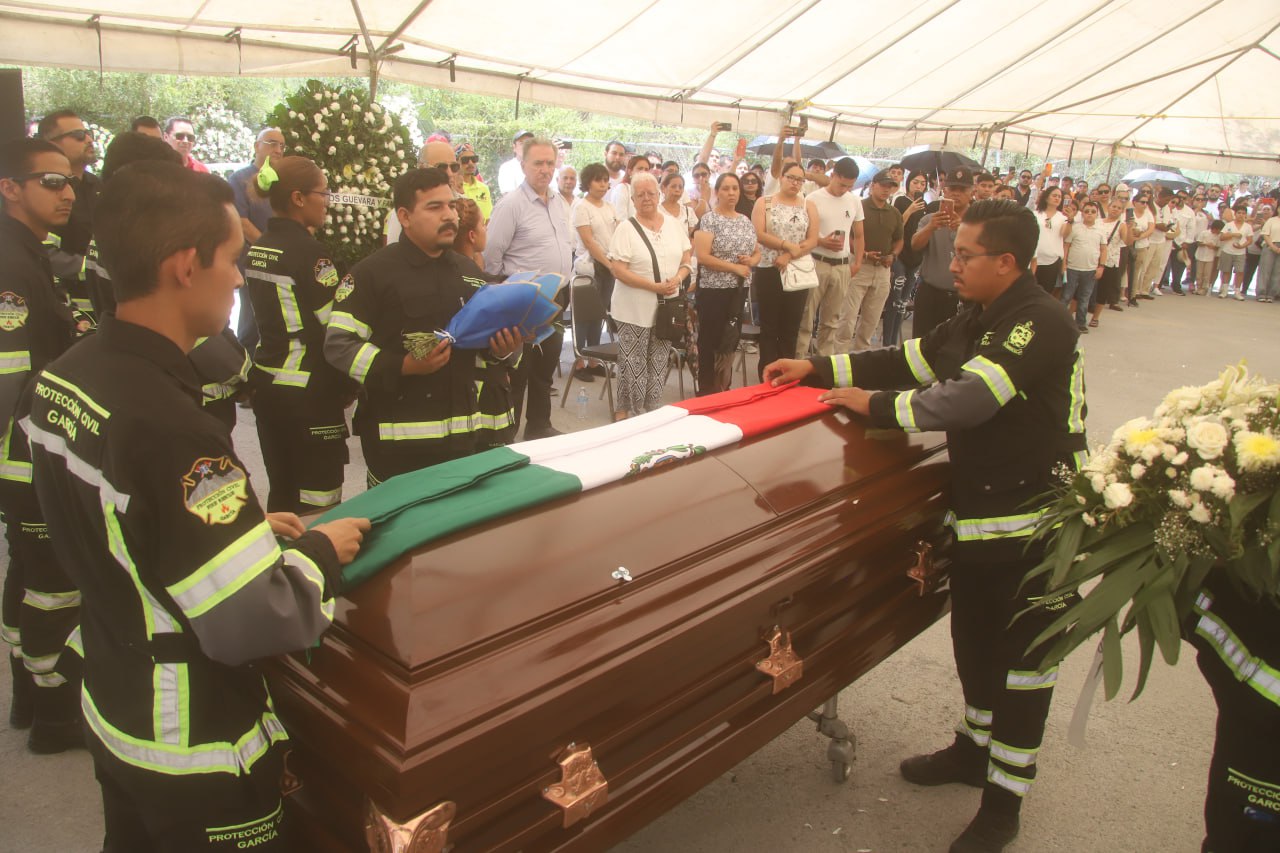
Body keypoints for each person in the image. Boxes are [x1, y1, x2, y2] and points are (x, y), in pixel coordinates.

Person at [25, 158, 371, 851]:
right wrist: (313, 555)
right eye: (233, 261)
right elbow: (250, 621)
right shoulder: (174, 428)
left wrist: (244, 529)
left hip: (116, 707)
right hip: (194, 744)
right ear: (186, 266)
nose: (241, 278)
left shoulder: (65, 376)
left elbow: (121, 529)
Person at [763, 198, 1086, 853]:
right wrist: (820, 368)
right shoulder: (979, 315)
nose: (953, 262)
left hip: (1038, 528)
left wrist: (876, 406)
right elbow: (909, 359)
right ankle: (973, 751)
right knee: (974, 642)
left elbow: (968, 398)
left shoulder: (1039, 320)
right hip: (982, 518)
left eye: (966, 254)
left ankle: (1004, 804)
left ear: (1007, 261)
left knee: (1023, 669)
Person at [327, 167, 525, 484]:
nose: (449, 215)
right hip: (397, 449)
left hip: (464, 444)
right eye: (435, 207)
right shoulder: (371, 274)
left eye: (450, 205)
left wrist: (504, 350)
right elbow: (339, 345)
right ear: (404, 217)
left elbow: (485, 351)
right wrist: (401, 365)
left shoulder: (470, 274)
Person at [0, 138, 81, 754]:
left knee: (28, 573)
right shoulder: (13, 262)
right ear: (10, 188)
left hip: (23, 444)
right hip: (26, 445)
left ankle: (28, 695)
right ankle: (53, 714)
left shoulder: (30, 252)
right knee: (54, 578)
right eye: (51, 182)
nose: (69, 191)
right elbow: (14, 379)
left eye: (71, 179)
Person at [244, 156, 353, 513]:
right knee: (319, 501)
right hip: (310, 393)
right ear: (298, 198)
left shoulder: (259, 247)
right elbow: (333, 325)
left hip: (267, 384)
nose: (328, 201)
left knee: (282, 492)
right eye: (324, 192)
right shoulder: (311, 253)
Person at [483, 137, 574, 440]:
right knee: (518, 370)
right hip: (522, 302)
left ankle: (538, 424)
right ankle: (507, 433)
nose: (545, 169)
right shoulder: (511, 205)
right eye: (538, 163)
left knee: (545, 366)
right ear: (523, 165)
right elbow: (492, 257)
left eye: (550, 163)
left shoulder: (559, 201)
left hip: (555, 298)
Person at [606, 173, 692, 419]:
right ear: (632, 199)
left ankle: (647, 410)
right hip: (633, 308)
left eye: (650, 193)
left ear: (658, 195)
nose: (646, 198)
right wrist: (652, 286)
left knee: (658, 361)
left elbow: (687, 261)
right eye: (640, 194)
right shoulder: (626, 228)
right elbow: (618, 270)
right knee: (634, 365)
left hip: (667, 307)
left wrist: (678, 278)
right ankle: (635, 415)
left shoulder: (673, 224)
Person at [451, 197, 517, 449]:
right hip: (485, 388)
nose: (486, 229)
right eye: (482, 224)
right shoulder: (477, 282)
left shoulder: (466, 274)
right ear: (470, 235)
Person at [693, 173, 760, 394]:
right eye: (726, 189)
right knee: (709, 341)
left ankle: (723, 385)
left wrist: (751, 261)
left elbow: (757, 252)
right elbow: (702, 256)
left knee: (730, 340)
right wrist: (734, 267)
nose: (731, 193)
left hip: (739, 289)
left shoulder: (745, 220)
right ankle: (706, 389)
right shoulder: (709, 219)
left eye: (735, 188)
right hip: (713, 290)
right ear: (717, 192)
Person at [37, 109, 101, 333]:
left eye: (88, 133)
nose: (89, 140)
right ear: (52, 144)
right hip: (68, 318)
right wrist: (95, 267)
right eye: (78, 136)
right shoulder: (44, 191)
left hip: (106, 312)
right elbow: (45, 255)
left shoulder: (99, 188)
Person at [752, 161, 818, 376]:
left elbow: (812, 240)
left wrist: (789, 254)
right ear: (781, 177)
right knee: (769, 327)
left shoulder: (808, 205)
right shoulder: (764, 202)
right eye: (790, 177)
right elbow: (759, 233)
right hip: (769, 269)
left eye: (799, 179)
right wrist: (783, 245)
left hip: (797, 270)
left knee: (791, 327)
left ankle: (786, 374)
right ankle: (768, 372)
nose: (795, 182)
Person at [795, 157, 865, 357]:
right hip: (817, 261)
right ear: (832, 175)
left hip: (842, 265)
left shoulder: (854, 200)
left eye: (849, 186)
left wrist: (857, 262)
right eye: (841, 184)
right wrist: (821, 241)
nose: (844, 189)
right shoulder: (813, 198)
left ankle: (824, 363)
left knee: (832, 320)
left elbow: (859, 234)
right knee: (806, 317)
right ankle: (799, 359)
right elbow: (803, 232)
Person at [227, 127, 287, 352]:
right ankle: (246, 370)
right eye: (272, 143)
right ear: (256, 146)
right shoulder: (239, 179)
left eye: (282, 145)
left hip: (283, 264)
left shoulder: (283, 181)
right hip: (254, 263)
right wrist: (270, 250)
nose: (278, 149)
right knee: (252, 323)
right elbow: (241, 222)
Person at [836, 171, 902, 352]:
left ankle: (859, 363)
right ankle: (838, 362)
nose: (886, 190)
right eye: (883, 185)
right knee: (847, 319)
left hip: (882, 269)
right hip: (860, 266)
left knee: (870, 322)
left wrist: (893, 255)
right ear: (873, 185)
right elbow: (847, 235)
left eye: (890, 186)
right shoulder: (859, 206)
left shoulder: (894, 212)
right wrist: (863, 253)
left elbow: (899, 240)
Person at [911, 167, 975, 338]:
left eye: (962, 190)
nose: (956, 194)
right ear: (944, 190)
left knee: (957, 346)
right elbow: (915, 245)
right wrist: (931, 227)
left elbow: (986, 253)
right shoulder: (930, 219)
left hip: (965, 296)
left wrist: (964, 230)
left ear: (971, 192)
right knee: (920, 344)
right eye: (952, 189)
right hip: (930, 294)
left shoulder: (979, 222)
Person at [571, 163, 618, 378]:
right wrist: (608, 264)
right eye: (598, 180)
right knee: (583, 317)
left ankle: (593, 360)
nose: (603, 184)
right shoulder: (582, 206)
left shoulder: (609, 207)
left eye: (605, 180)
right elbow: (589, 241)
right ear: (588, 182)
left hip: (609, 266)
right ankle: (579, 361)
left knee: (598, 316)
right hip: (590, 267)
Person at [1060, 200, 1108, 332]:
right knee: (1066, 296)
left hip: (1090, 270)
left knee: (1084, 298)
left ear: (1097, 214)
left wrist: (1101, 267)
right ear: (1082, 213)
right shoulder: (1075, 227)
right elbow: (1066, 246)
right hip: (1072, 268)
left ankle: (1080, 323)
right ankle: (1060, 321)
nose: (1090, 214)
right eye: (1087, 211)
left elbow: (1104, 249)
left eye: (1093, 212)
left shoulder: (1101, 230)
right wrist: (1064, 264)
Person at [1089, 198, 1129, 326]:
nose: (1115, 209)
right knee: (1086, 288)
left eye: (1119, 208)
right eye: (1113, 206)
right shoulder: (1098, 221)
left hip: (1110, 261)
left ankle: (1095, 317)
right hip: (1093, 259)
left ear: (1122, 211)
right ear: (1109, 207)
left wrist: (1131, 229)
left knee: (1103, 290)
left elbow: (1127, 241)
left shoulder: (1121, 225)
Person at [1032, 185, 1071, 293]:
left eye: (1059, 196)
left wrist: (1070, 220)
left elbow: (1064, 234)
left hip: (1052, 260)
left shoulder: (1063, 217)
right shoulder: (1035, 214)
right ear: (1046, 197)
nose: (1057, 198)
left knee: (1045, 291)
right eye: (1054, 195)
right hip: (1034, 258)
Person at [1217, 202, 1252, 300]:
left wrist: (1242, 246)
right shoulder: (1229, 224)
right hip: (1227, 251)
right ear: (1235, 214)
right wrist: (1232, 235)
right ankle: (1224, 290)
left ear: (1245, 215)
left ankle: (1237, 291)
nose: (1241, 215)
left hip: (1240, 252)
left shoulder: (1247, 226)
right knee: (1226, 271)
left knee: (1240, 272)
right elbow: (1222, 237)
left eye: (1243, 213)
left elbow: (1250, 240)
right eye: (1239, 213)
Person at [1127, 192, 1156, 304]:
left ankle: (1132, 295)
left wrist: (1139, 237)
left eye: (1146, 202)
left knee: (1136, 271)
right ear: (1135, 202)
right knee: (1125, 271)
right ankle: (1121, 293)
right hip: (1128, 244)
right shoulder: (1130, 212)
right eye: (1142, 202)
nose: (1145, 205)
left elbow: (1150, 229)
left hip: (1141, 245)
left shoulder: (1148, 214)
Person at [606, 154, 651, 222]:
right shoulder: (622, 189)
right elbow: (620, 220)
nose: (643, 172)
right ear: (630, 171)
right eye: (640, 168)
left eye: (646, 169)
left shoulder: (649, 191)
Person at [456, 143, 492, 221]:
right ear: (456, 163)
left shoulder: (484, 188)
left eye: (474, 159)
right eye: (465, 160)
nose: (470, 163)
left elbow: (488, 218)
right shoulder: (455, 188)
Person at [497, 130, 533, 196]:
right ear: (514, 147)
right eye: (521, 143)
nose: (526, 146)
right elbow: (509, 196)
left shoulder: (541, 167)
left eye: (529, 143)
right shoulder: (507, 168)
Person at [1257, 203, 1280, 302]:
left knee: (1277, 272)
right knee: (1265, 270)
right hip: (1270, 245)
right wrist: (1273, 246)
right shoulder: (1272, 220)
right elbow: (1265, 234)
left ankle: (1271, 294)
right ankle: (1261, 293)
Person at [1196, 220, 1225, 296]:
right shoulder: (1204, 233)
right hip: (1200, 255)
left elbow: (1218, 247)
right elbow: (1198, 242)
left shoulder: (1219, 236)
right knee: (1199, 273)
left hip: (1210, 258)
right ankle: (1198, 287)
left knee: (1207, 274)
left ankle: (1204, 289)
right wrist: (1205, 244)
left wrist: (1213, 247)